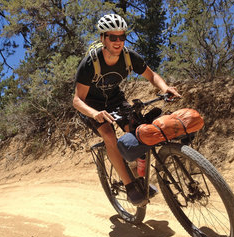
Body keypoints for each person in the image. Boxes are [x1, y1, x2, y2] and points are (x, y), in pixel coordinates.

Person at [73, 14, 181, 206]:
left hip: (115, 100)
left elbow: (151, 75)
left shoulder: (129, 57)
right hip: (92, 105)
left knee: (140, 131)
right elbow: (77, 100)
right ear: (103, 39)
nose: (117, 41)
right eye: (112, 37)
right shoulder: (91, 62)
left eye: (121, 37)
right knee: (108, 134)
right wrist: (94, 113)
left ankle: (140, 174)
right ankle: (130, 186)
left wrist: (165, 88)